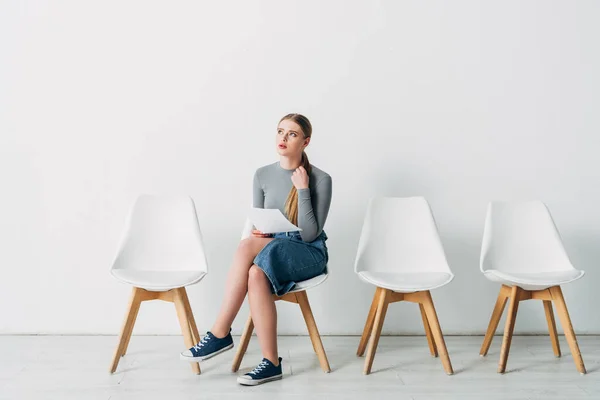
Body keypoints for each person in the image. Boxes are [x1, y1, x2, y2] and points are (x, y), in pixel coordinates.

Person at [180, 113, 332, 386]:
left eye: (292, 134)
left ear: (305, 142)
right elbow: (260, 221)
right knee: (254, 274)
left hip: (308, 253)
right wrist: (261, 231)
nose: (283, 138)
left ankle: (219, 333)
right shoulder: (262, 174)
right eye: (280, 131)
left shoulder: (320, 179)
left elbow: (310, 234)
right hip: (272, 246)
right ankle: (272, 363)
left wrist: (303, 190)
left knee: (246, 246)